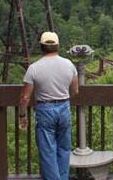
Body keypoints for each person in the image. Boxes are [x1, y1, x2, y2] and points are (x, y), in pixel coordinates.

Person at [19, 31, 79, 180]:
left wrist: (22, 115)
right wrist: (63, 99)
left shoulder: (34, 68)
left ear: (41, 47)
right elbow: (75, 90)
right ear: (57, 46)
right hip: (64, 107)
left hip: (45, 109)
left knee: (47, 152)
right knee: (64, 150)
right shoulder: (69, 64)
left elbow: (25, 97)